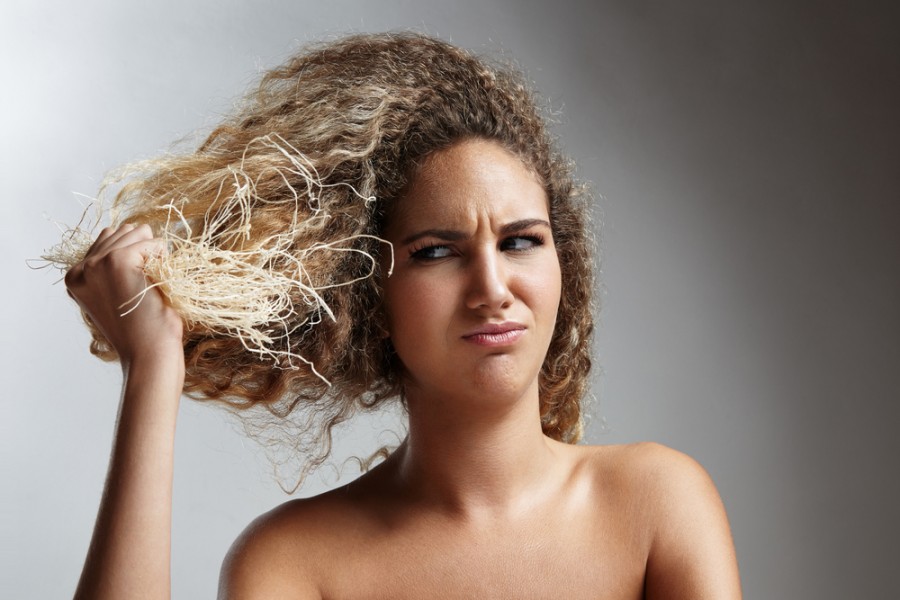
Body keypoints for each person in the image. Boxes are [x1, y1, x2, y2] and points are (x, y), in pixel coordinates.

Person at [63, 32, 741, 599]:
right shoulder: (293, 564)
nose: (492, 287)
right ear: (367, 299)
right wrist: (152, 369)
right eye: (437, 252)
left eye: (520, 241)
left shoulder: (656, 505)